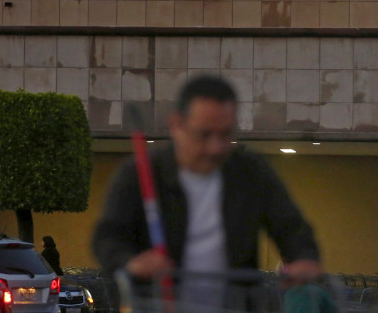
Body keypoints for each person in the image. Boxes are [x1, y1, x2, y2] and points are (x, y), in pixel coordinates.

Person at [92, 75, 321, 308]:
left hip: (234, 304)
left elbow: (291, 226)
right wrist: (131, 262)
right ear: (176, 125)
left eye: (225, 134)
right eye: (204, 135)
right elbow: (107, 237)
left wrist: (304, 258)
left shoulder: (251, 171)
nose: (215, 147)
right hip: (159, 304)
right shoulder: (140, 173)